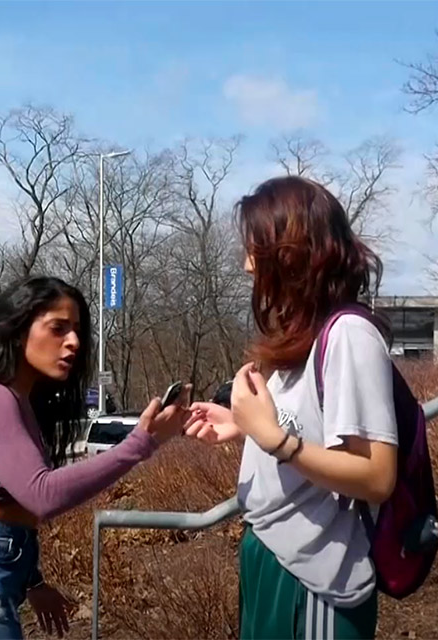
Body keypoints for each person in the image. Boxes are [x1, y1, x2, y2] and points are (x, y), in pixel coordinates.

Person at [0, 276, 191, 640]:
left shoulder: (17, 400)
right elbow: (41, 495)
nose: (74, 342)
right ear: (16, 331)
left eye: (77, 330)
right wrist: (140, 444)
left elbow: (9, 506)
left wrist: (32, 580)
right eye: (58, 328)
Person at [184, 176, 397, 640]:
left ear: (292, 256)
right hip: (272, 556)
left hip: (314, 581)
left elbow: (376, 476)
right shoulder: (304, 335)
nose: (245, 266)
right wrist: (242, 426)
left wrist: (272, 438)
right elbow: (308, 430)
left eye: (255, 251)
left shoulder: (348, 336)